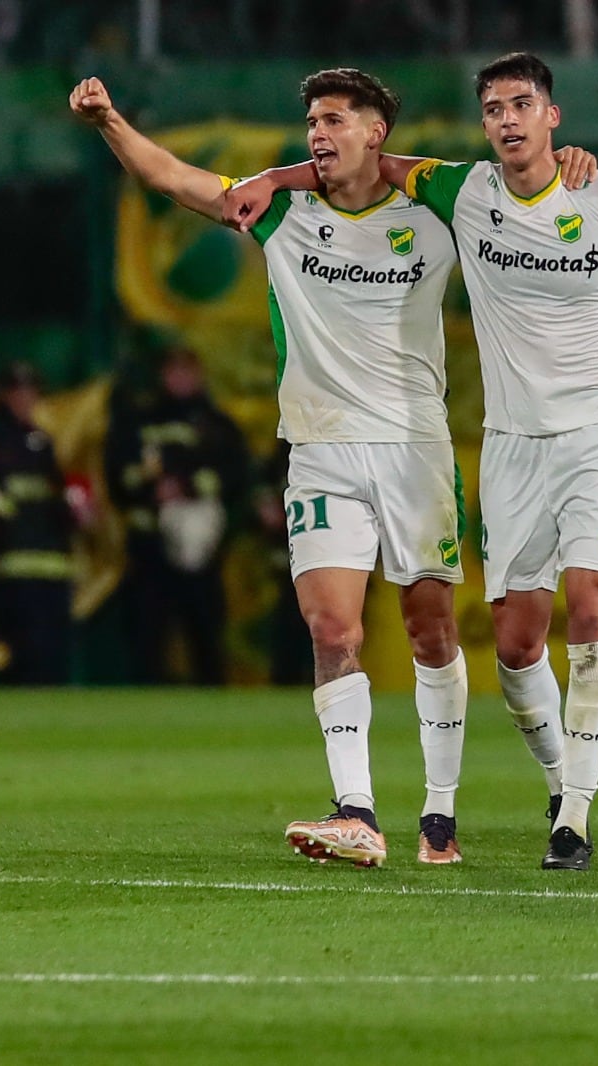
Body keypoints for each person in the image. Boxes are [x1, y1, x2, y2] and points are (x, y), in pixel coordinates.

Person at [228, 53, 598, 871]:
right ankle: (558, 778)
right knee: (519, 643)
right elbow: (362, 164)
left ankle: (575, 820)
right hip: (512, 443)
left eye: (523, 104)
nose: (508, 119)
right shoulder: (463, 193)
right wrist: (275, 180)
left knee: (594, 612)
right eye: (494, 108)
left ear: (553, 116)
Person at [75, 68, 471, 866]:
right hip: (321, 451)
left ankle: (440, 812)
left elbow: (514, 184)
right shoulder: (280, 210)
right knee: (332, 628)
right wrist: (111, 122)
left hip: (414, 448)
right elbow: (175, 180)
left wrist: (574, 168)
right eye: (311, 122)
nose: (317, 134)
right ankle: (356, 811)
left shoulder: (436, 213)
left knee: (430, 630)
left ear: (375, 132)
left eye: (334, 120)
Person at [103, 346, 250, 687]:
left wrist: (186, 486)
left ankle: (213, 704)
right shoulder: (139, 421)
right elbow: (117, 476)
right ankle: (145, 706)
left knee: (205, 630)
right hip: (149, 543)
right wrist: (149, 491)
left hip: (201, 545)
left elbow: (236, 478)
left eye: (187, 370)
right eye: (173, 370)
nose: (180, 378)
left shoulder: (216, 425)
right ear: (161, 374)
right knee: (147, 632)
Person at [0, 362, 80, 686]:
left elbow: (53, 496)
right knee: (20, 653)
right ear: (2, 395)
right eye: (17, 392)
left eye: (31, 392)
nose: (25, 399)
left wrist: (74, 509)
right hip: (10, 564)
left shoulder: (41, 441)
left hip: (51, 561)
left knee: (52, 652)